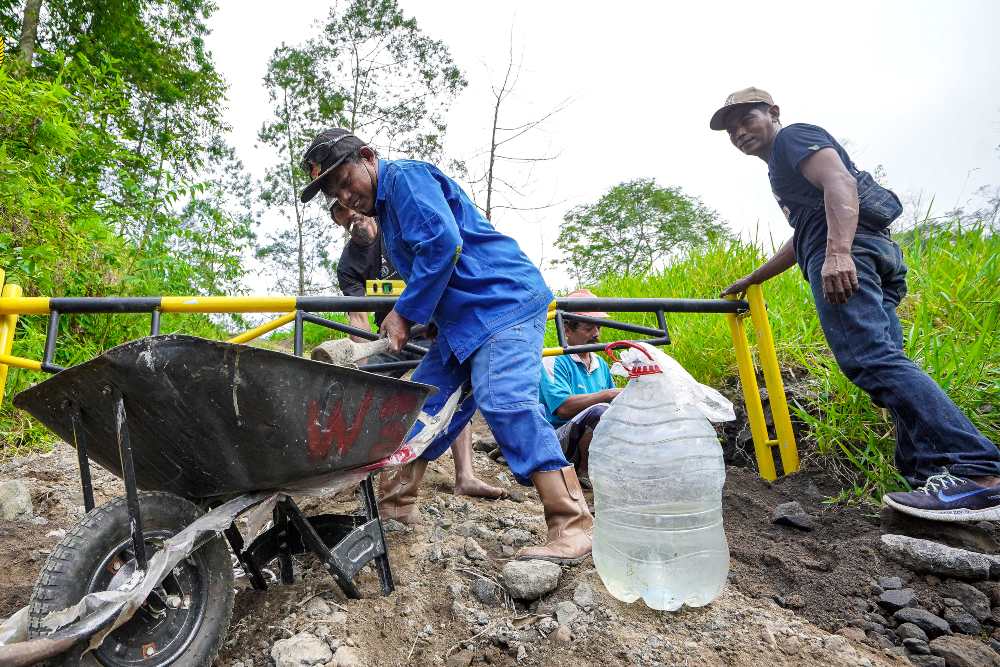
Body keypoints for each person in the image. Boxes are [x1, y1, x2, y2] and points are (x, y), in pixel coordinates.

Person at [299, 128, 592, 562]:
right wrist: (432, 320)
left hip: (501, 303)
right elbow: (439, 268)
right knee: (422, 407)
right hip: (463, 321)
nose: (346, 197)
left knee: (506, 400)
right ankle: (396, 509)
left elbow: (444, 245)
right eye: (336, 194)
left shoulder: (404, 180)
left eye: (346, 181)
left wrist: (405, 312)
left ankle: (572, 526)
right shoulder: (390, 214)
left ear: (367, 157)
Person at [712, 87, 1000, 521]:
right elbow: (805, 230)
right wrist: (755, 277)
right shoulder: (783, 166)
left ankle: (977, 470)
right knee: (885, 361)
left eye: (746, 119)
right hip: (868, 252)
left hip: (854, 255)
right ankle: (931, 476)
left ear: (773, 112)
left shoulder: (794, 138)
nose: (738, 132)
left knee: (869, 360)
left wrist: (839, 253)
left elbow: (840, 183)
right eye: (731, 129)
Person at [316, 197, 507, 508]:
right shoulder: (349, 264)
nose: (349, 214)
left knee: (451, 392)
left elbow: (442, 264)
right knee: (365, 388)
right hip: (392, 338)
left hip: (437, 329)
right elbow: (358, 316)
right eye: (338, 211)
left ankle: (465, 476)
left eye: (349, 205)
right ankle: (352, 471)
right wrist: (360, 366)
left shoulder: (399, 234)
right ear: (335, 219)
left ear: (364, 202)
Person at [538, 289, 620, 489]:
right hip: (557, 440)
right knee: (600, 410)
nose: (596, 334)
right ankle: (584, 472)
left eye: (599, 328)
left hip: (591, 439)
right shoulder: (553, 360)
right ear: (567, 330)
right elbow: (563, 408)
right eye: (589, 328)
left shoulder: (600, 363)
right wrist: (607, 395)